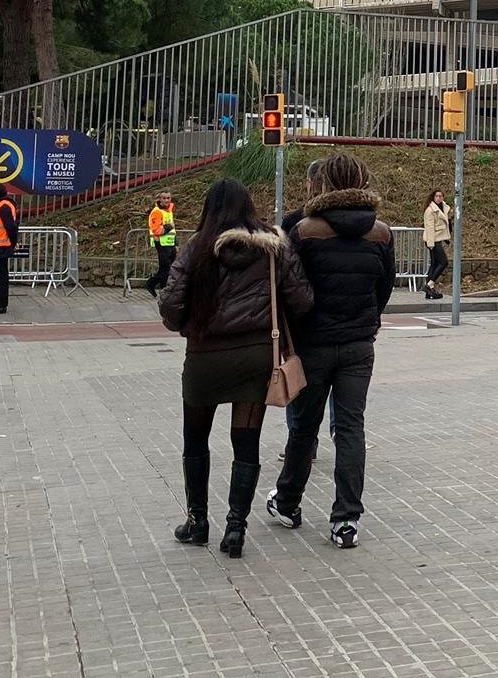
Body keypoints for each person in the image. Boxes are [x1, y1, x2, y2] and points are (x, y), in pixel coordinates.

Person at [159, 178, 314, 557]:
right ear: (248, 206)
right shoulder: (275, 248)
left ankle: (197, 522)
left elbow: (170, 306)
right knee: (246, 442)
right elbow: (302, 299)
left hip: (204, 357)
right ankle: (235, 528)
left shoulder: (196, 248)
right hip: (255, 356)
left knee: (195, 438)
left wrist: (189, 326)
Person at [268, 152, 394, 550]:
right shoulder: (381, 233)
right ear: (362, 179)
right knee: (351, 427)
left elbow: (290, 289)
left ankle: (288, 502)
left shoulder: (304, 231)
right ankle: (346, 519)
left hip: (313, 343)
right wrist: (366, 319)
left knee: (304, 426)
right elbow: (384, 288)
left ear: (324, 183)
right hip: (359, 345)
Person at [144, 193, 179, 296]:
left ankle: (155, 285)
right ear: (160, 199)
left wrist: (176, 244)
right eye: (164, 198)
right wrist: (168, 226)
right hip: (161, 243)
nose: (167, 200)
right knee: (165, 268)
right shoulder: (156, 212)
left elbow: (173, 229)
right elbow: (157, 230)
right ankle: (160, 288)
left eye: (168, 198)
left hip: (170, 243)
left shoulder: (169, 210)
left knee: (168, 268)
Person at [422, 189, 451, 299]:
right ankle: (429, 285)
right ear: (433, 197)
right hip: (432, 240)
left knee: (434, 264)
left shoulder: (443, 207)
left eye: (441, 196)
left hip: (437, 239)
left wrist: (446, 237)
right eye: (437, 196)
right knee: (443, 262)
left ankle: (429, 291)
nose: (439, 198)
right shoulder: (430, 210)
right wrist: (431, 243)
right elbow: (429, 228)